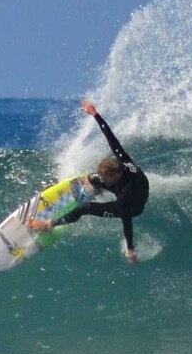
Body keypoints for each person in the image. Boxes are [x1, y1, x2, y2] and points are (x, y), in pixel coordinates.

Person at [27, 99, 149, 263]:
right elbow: (111, 138)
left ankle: (49, 225)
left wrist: (130, 248)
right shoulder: (123, 161)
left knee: (83, 208)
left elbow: (127, 223)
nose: (103, 179)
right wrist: (95, 114)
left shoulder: (125, 198)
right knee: (92, 178)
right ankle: (93, 189)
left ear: (115, 176)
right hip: (124, 185)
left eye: (106, 178)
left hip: (133, 206)